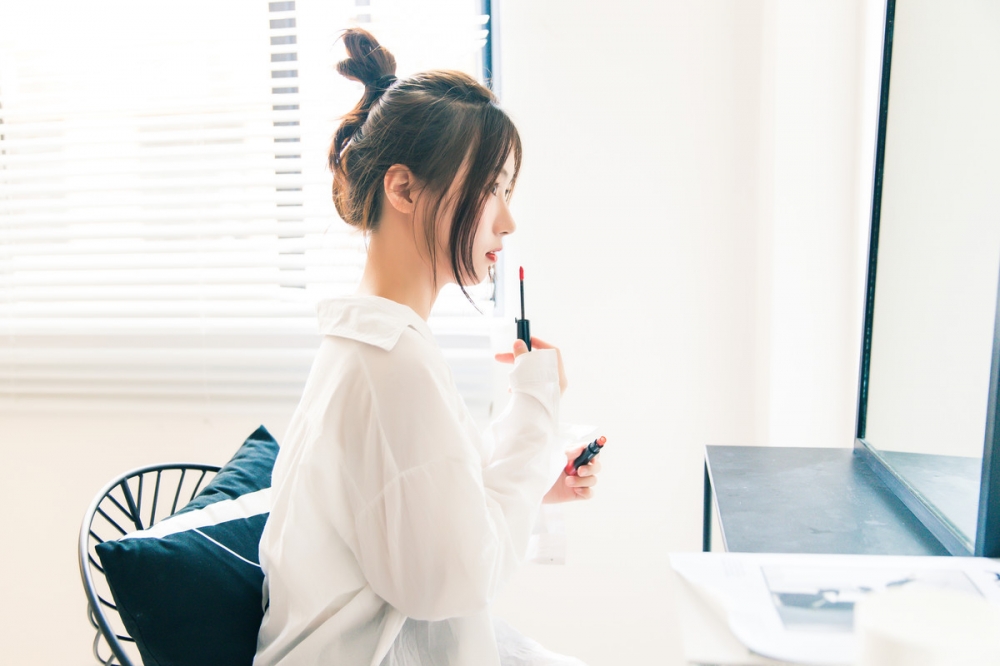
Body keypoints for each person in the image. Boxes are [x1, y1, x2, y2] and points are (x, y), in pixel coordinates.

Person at [253, 28, 601, 666]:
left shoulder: (367, 342)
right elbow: (454, 579)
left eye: (507, 191)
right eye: (491, 188)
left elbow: (424, 514)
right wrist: (532, 419)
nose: (506, 220)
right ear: (404, 189)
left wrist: (536, 472)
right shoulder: (391, 360)